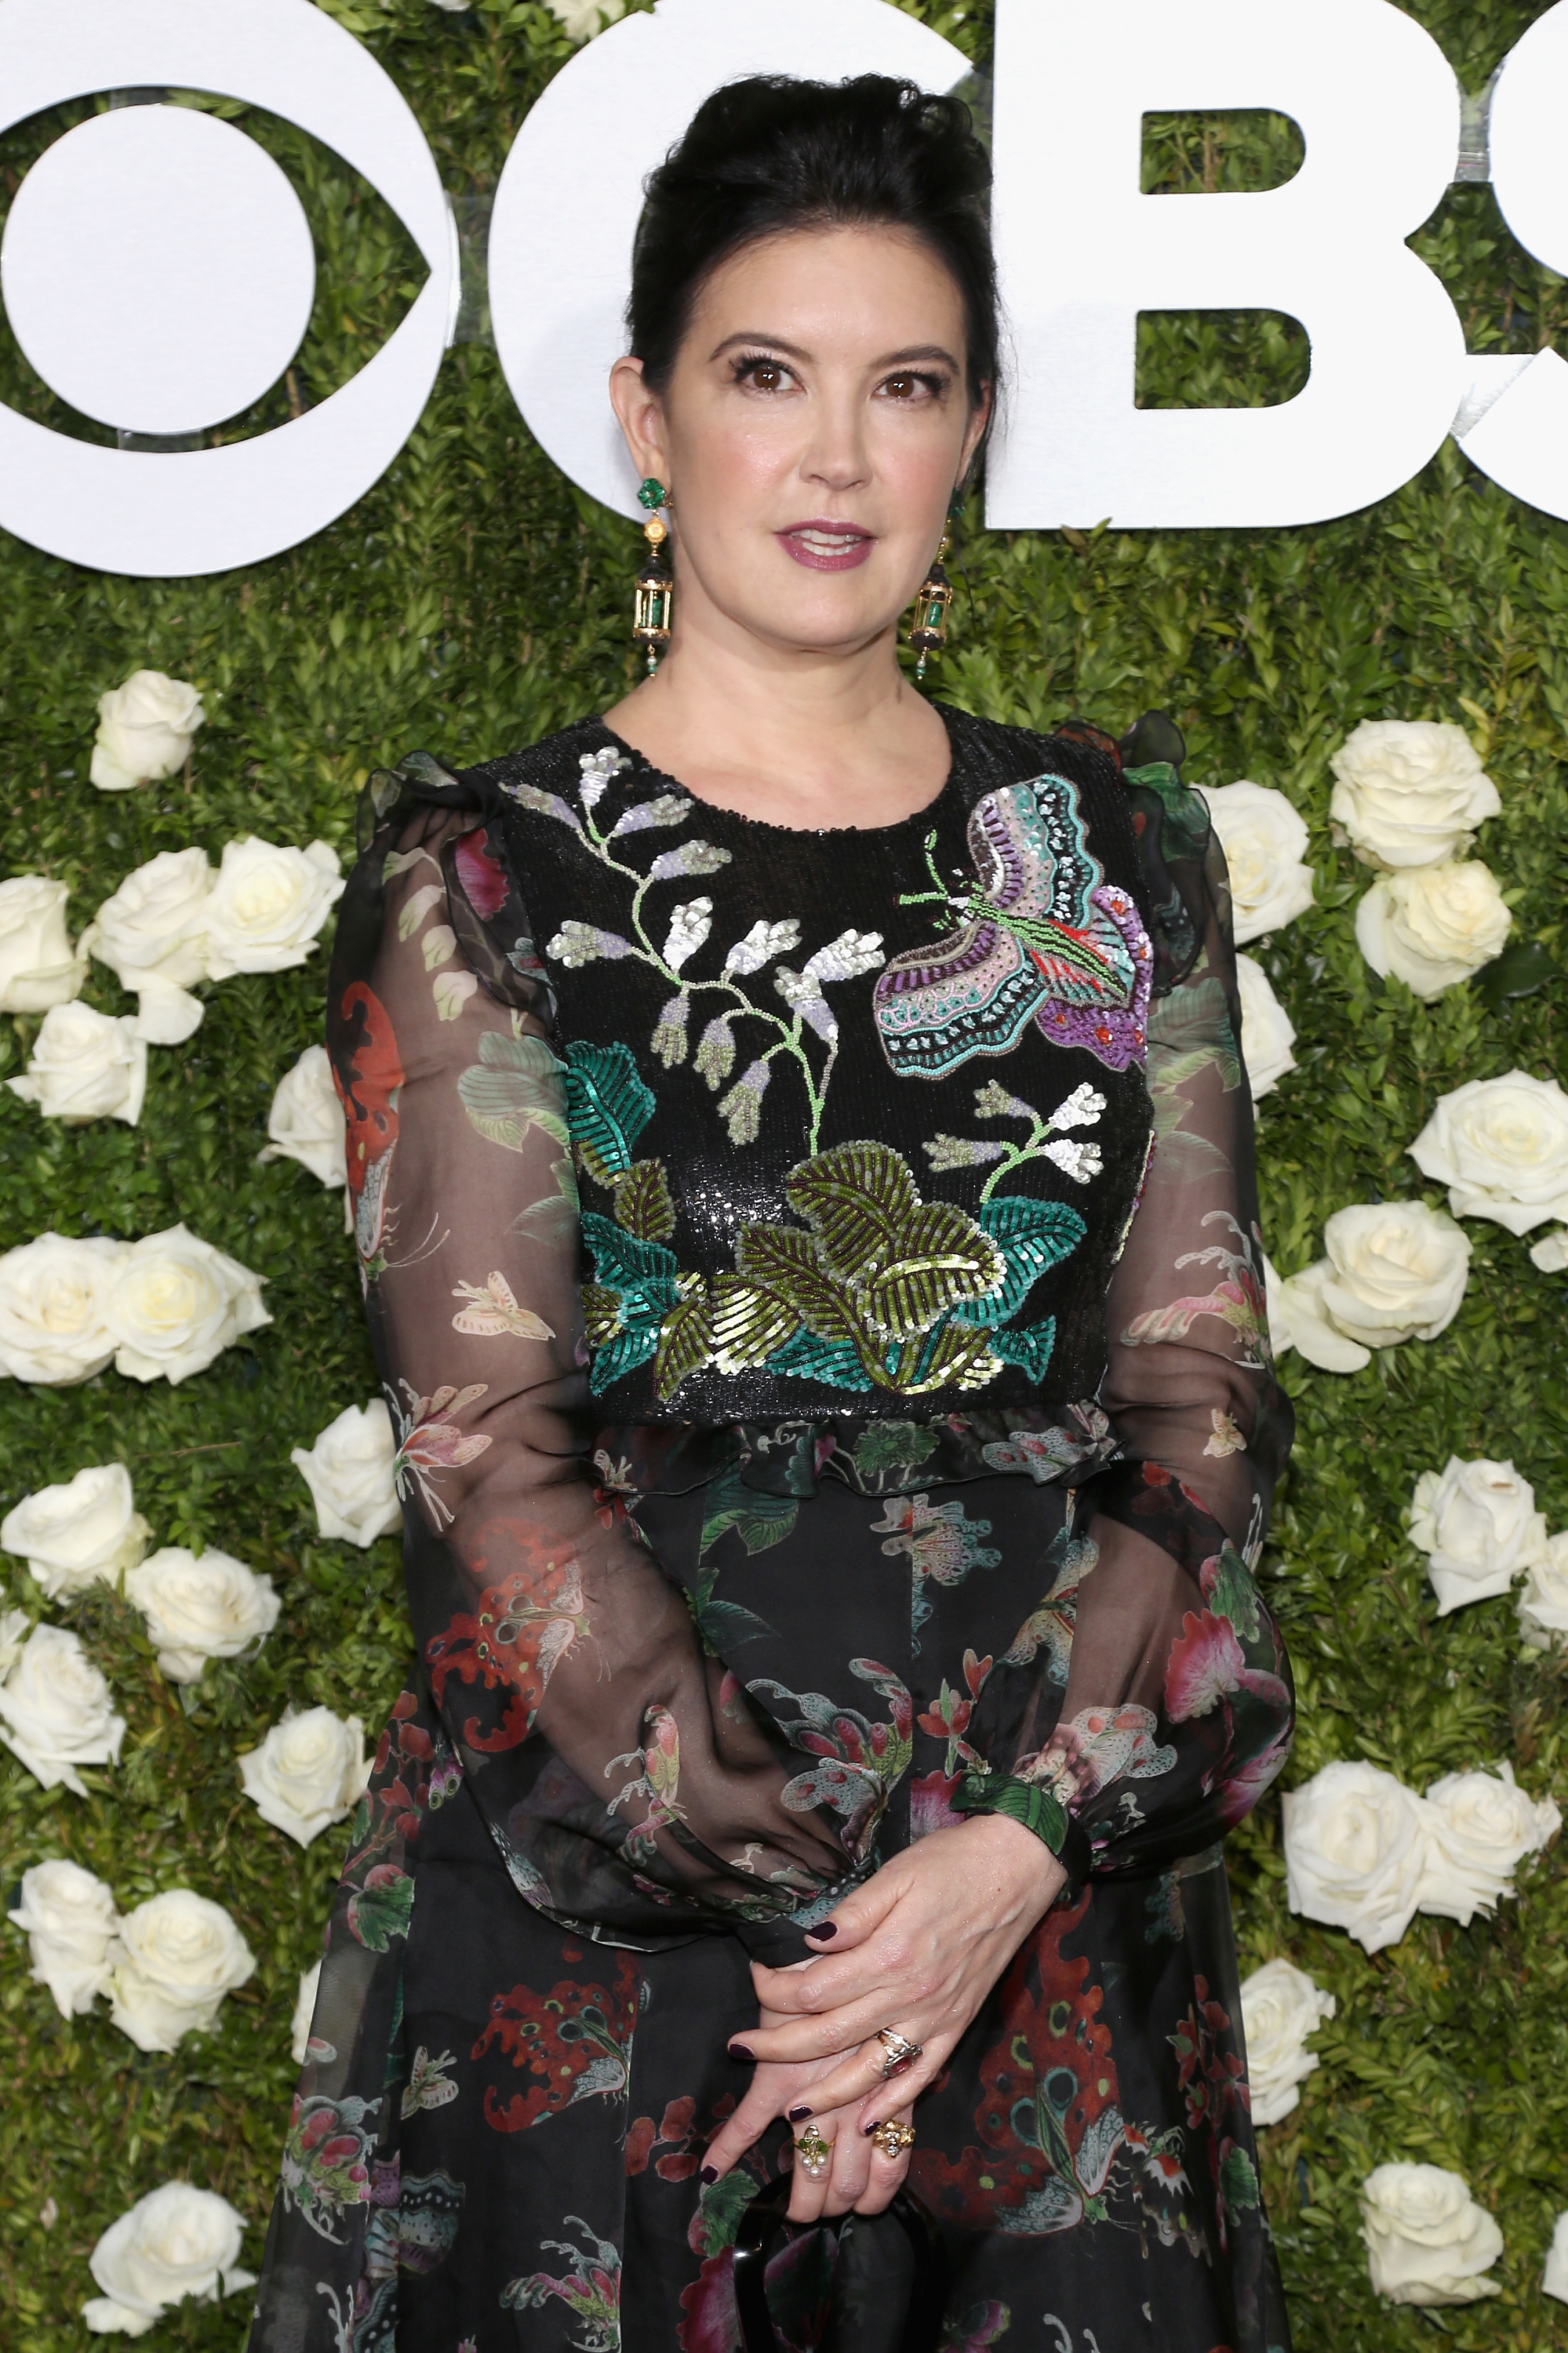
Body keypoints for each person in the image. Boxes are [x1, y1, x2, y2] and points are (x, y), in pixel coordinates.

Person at [249, 72, 1295, 2353]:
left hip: (1050, 1948)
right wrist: (843, 1951)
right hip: (614, 1946)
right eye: (765, 376)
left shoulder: (1120, 859)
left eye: (903, 387)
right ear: (648, 416)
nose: (835, 455)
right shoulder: (485, 878)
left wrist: (998, 1870)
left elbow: (1201, 1402)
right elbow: (488, 1461)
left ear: (972, 435)